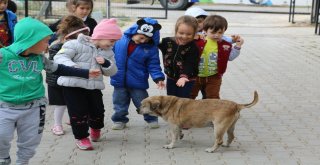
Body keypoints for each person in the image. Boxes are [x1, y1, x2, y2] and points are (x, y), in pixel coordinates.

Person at [0, 17, 100, 165]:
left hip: (34, 107)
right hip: (5, 107)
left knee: (31, 140)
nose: (48, 45)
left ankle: (23, 161)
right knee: (2, 136)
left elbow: (58, 68)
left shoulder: (40, 58)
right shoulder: (4, 55)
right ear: (31, 40)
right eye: (45, 41)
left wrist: (85, 73)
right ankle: (3, 158)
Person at [54, 18, 121, 150]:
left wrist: (106, 63)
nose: (112, 44)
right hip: (72, 86)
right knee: (78, 113)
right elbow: (59, 58)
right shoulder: (74, 44)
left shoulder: (107, 52)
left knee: (98, 111)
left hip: (93, 87)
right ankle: (81, 137)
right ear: (101, 36)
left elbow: (112, 71)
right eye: (111, 40)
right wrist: (74, 67)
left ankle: (95, 128)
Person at [110, 17, 165, 130]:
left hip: (138, 82)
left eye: (146, 39)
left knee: (143, 102)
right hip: (119, 79)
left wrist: (158, 77)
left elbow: (154, 64)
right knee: (119, 103)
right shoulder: (120, 40)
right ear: (135, 31)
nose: (143, 41)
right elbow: (109, 53)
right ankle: (120, 120)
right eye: (141, 38)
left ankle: (151, 118)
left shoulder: (150, 49)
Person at [46, 15, 90, 136]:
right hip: (57, 81)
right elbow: (54, 66)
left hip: (72, 79)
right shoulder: (56, 46)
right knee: (60, 104)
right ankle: (57, 124)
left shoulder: (81, 46)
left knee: (75, 102)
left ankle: (73, 119)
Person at [190, 15, 244, 100]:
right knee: (190, 96)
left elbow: (230, 57)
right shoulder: (197, 41)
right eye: (213, 32)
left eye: (220, 32)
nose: (216, 35)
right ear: (205, 30)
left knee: (213, 98)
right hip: (195, 76)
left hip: (214, 77)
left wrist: (237, 46)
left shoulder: (225, 45)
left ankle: (212, 113)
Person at [158, 15, 199, 99]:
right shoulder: (167, 41)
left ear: (194, 34)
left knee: (183, 101)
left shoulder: (193, 47)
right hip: (171, 77)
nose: (184, 36)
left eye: (189, 34)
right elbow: (153, 43)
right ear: (176, 31)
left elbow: (190, 63)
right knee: (171, 99)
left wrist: (184, 77)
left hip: (187, 79)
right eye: (181, 33)